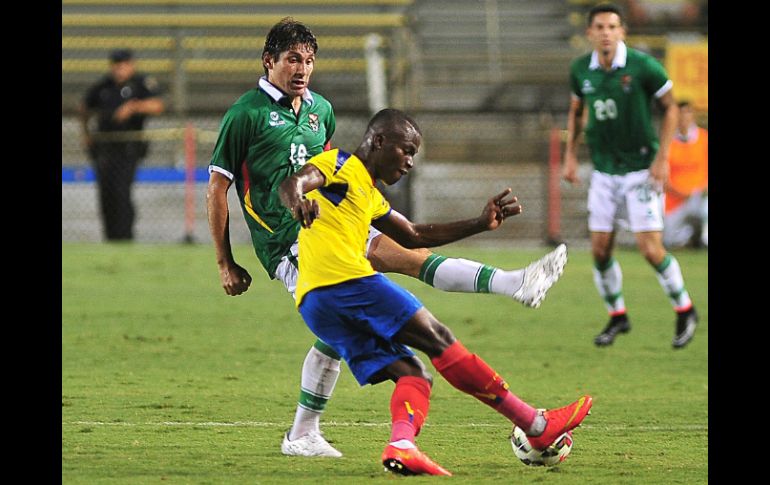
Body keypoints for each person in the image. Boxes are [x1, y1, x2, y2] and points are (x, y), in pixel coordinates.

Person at [206, 17, 568, 458]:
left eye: (308, 61)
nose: (301, 69)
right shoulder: (245, 115)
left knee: (403, 261)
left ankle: (515, 284)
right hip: (288, 241)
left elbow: (337, 172)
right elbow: (219, 187)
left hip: (336, 221)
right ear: (269, 62)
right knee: (349, 316)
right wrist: (226, 262)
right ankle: (308, 432)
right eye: (291, 60)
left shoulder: (320, 109)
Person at [278, 108, 592, 476]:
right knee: (439, 338)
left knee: (414, 374)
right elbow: (294, 182)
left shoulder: (369, 193)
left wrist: (479, 223)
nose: (410, 162)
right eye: (406, 150)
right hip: (347, 283)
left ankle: (402, 445)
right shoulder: (341, 163)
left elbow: (413, 235)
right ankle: (537, 427)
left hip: (316, 303)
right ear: (379, 141)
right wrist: (298, 200)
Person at [562, 3, 698, 349]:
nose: (606, 33)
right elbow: (577, 111)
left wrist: (662, 158)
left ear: (622, 31)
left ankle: (685, 309)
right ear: (590, 33)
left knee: (650, 249)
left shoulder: (642, 66)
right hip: (605, 170)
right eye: (600, 27)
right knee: (600, 250)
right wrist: (570, 156)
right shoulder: (581, 70)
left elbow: (669, 107)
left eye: (612, 26)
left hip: (640, 169)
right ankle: (617, 316)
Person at [79, 48, 166, 241]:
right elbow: (84, 108)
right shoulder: (103, 86)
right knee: (106, 194)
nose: (119, 70)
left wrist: (133, 107)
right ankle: (110, 236)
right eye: (116, 66)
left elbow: (158, 105)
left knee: (121, 192)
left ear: (131, 65)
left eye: (123, 65)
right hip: (104, 148)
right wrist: (86, 134)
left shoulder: (140, 84)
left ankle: (125, 236)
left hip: (128, 148)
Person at [663, 101, 708, 248]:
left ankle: (704, 239)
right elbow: (663, 177)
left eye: (687, 113)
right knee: (670, 240)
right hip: (675, 200)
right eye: (680, 114)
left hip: (699, 196)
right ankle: (687, 238)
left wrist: (700, 190)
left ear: (692, 116)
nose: (684, 118)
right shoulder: (667, 142)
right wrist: (681, 193)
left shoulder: (704, 138)